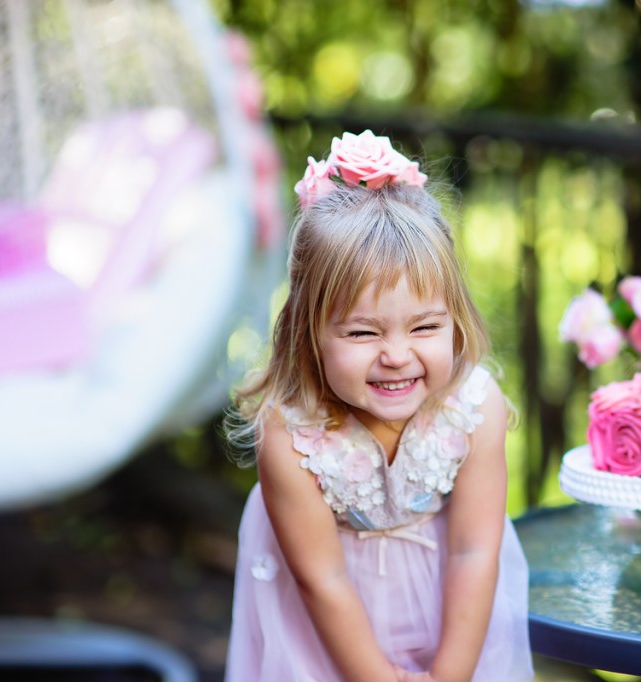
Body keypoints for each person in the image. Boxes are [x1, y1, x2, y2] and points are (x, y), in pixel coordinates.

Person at [223, 130, 534, 681]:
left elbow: (473, 551)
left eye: (425, 327)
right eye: (363, 332)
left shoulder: (474, 409)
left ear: (454, 319)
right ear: (309, 332)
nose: (397, 355)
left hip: (454, 611)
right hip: (327, 626)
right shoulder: (290, 436)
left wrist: (450, 675)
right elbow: (324, 580)